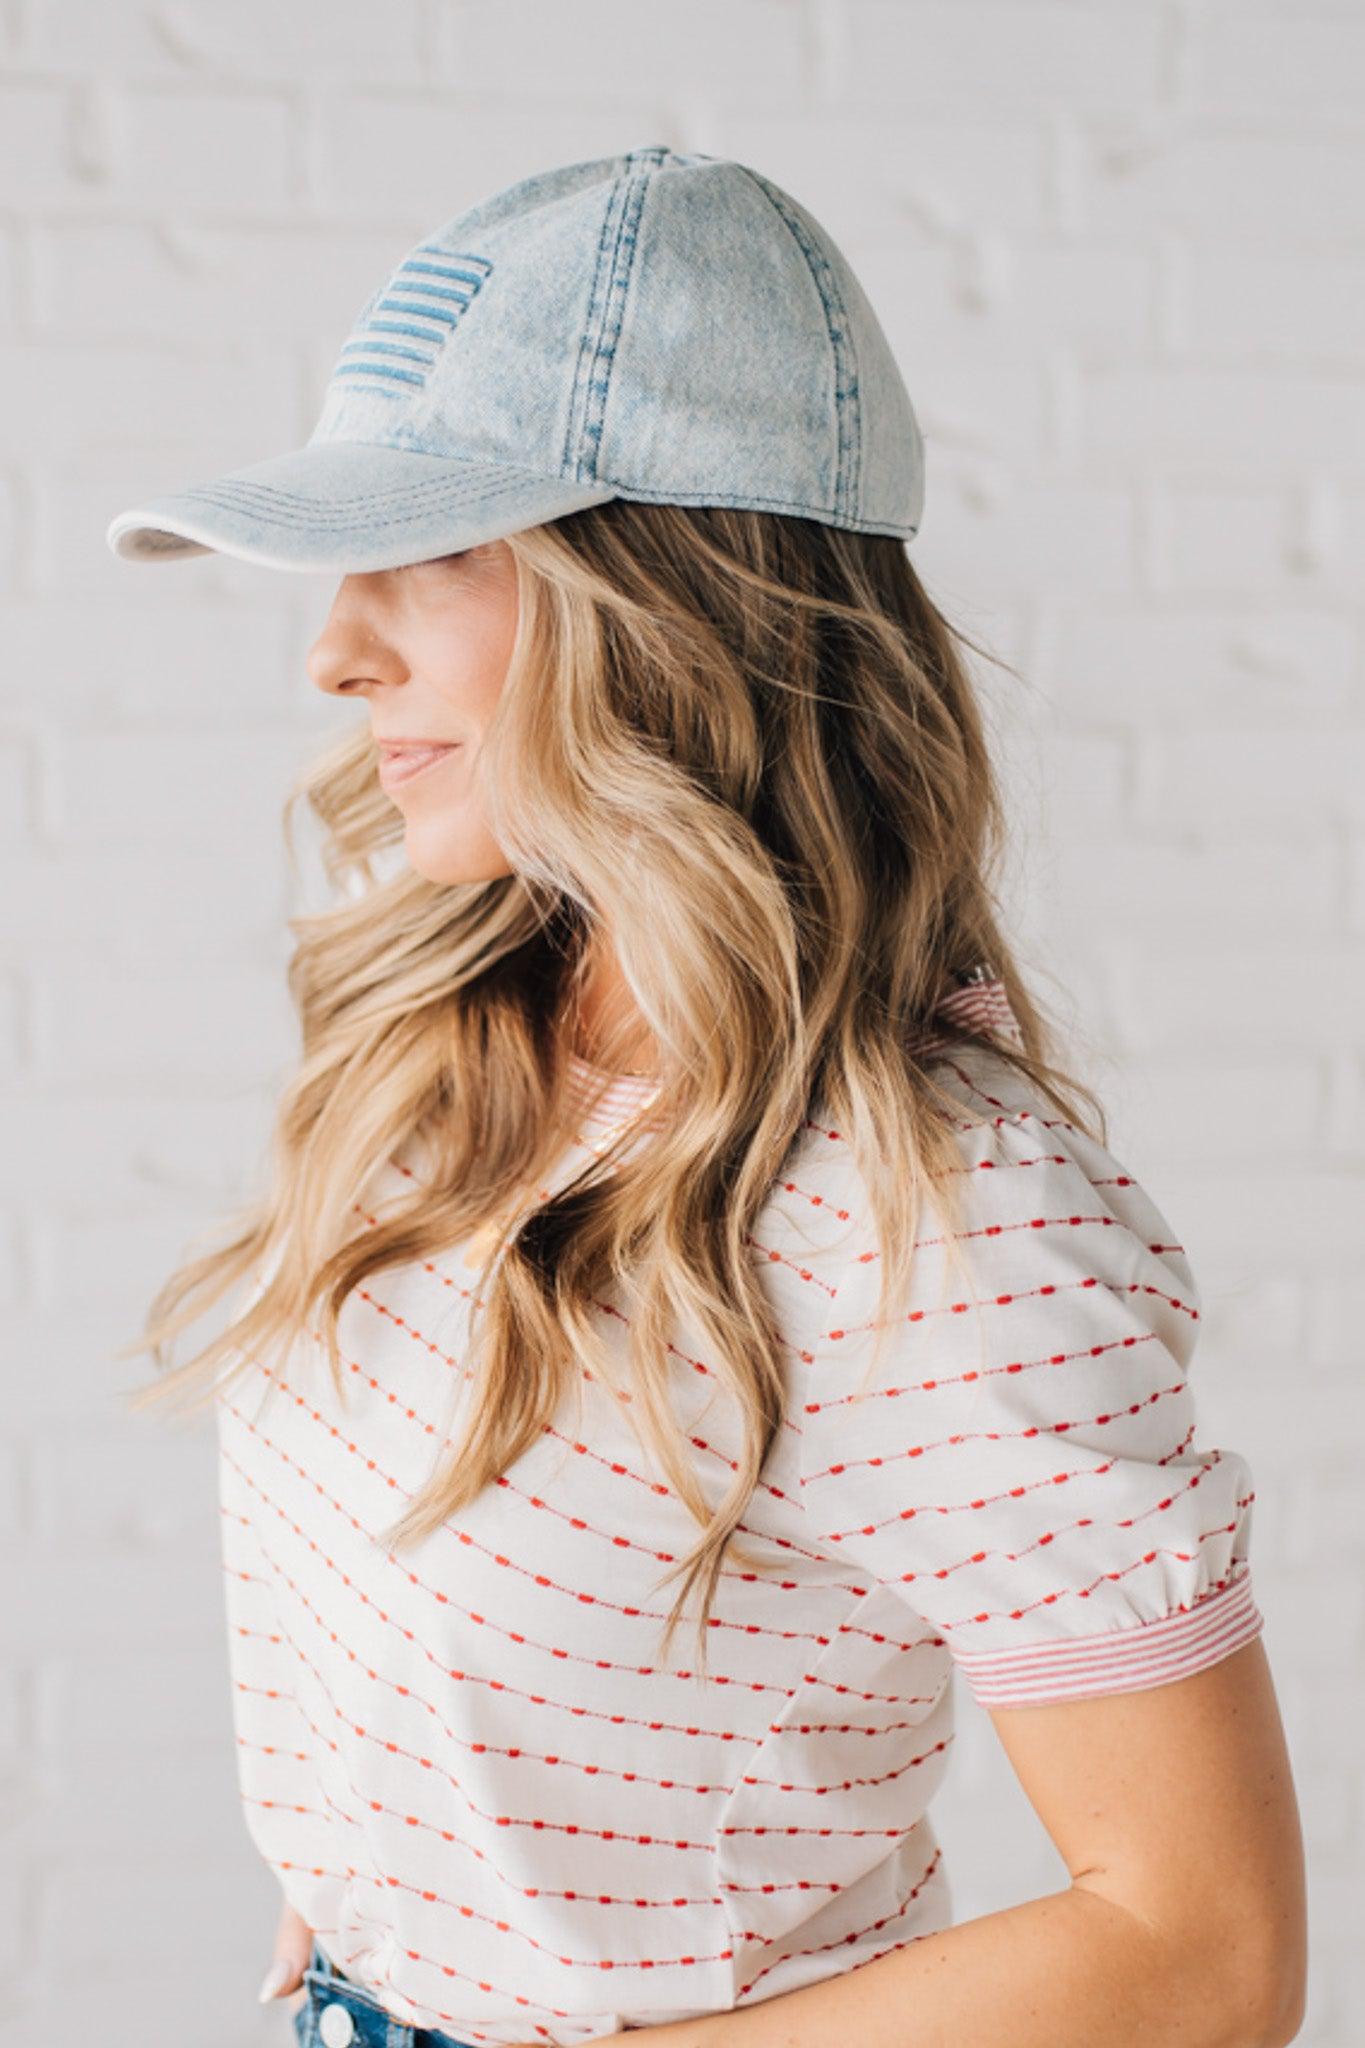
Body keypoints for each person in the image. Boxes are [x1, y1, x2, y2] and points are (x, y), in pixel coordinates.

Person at [106, 147, 1307, 2048]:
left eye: (425, 558)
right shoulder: (470, 1005)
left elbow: (1199, 1955)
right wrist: (379, 1882)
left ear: (670, 607)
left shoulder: (942, 1214)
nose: (333, 654)